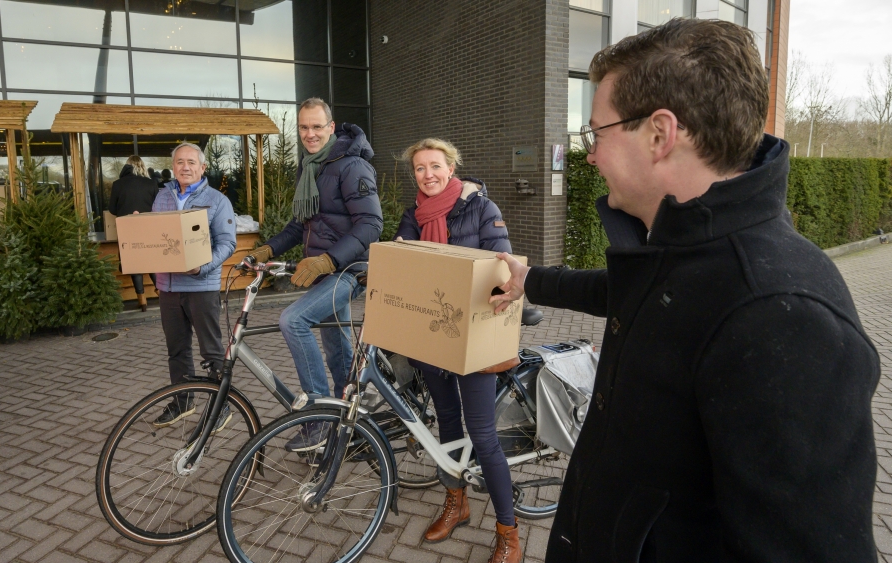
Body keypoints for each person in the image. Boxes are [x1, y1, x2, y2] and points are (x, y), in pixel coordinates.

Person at [489, 18, 881, 562]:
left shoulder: (781, 315)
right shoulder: (687, 248)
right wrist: (531, 280)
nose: (590, 155)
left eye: (595, 133)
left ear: (659, 133)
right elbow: (631, 293)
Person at [394, 139, 519, 563]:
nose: (427, 175)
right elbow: (404, 260)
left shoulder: (481, 208)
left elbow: (499, 264)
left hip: (474, 333)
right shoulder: (412, 215)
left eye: (435, 166)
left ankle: (509, 533)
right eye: (419, 169)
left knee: (483, 435)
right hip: (433, 332)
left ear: (451, 168)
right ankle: (457, 503)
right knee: (446, 423)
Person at [246, 98, 382, 451]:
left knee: (293, 320)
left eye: (317, 127)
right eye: (304, 127)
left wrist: (329, 261)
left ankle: (319, 418)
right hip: (327, 270)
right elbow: (299, 225)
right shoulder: (310, 167)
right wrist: (267, 249)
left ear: (331, 127)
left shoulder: (351, 166)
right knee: (337, 349)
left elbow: (371, 224)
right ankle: (347, 423)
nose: (310, 134)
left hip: (349, 269)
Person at [151, 142, 237, 427]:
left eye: (191, 162)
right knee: (176, 350)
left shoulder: (217, 200)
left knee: (211, 350)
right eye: (179, 162)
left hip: (202, 287)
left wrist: (203, 266)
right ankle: (183, 401)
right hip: (169, 287)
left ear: (202, 168)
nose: (185, 167)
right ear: (173, 166)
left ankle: (221, 406)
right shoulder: (162, 198)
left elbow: (228, 243)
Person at [109, 155, 160, 310]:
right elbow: (158, 207)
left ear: (127, 166)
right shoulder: (151, 183)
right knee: (151, 262)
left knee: (134, 264)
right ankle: (162, 292)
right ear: (142, 166)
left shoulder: (118, 184)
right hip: (148, 227)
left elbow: (112, 209)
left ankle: (142, 300)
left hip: (127, 228)